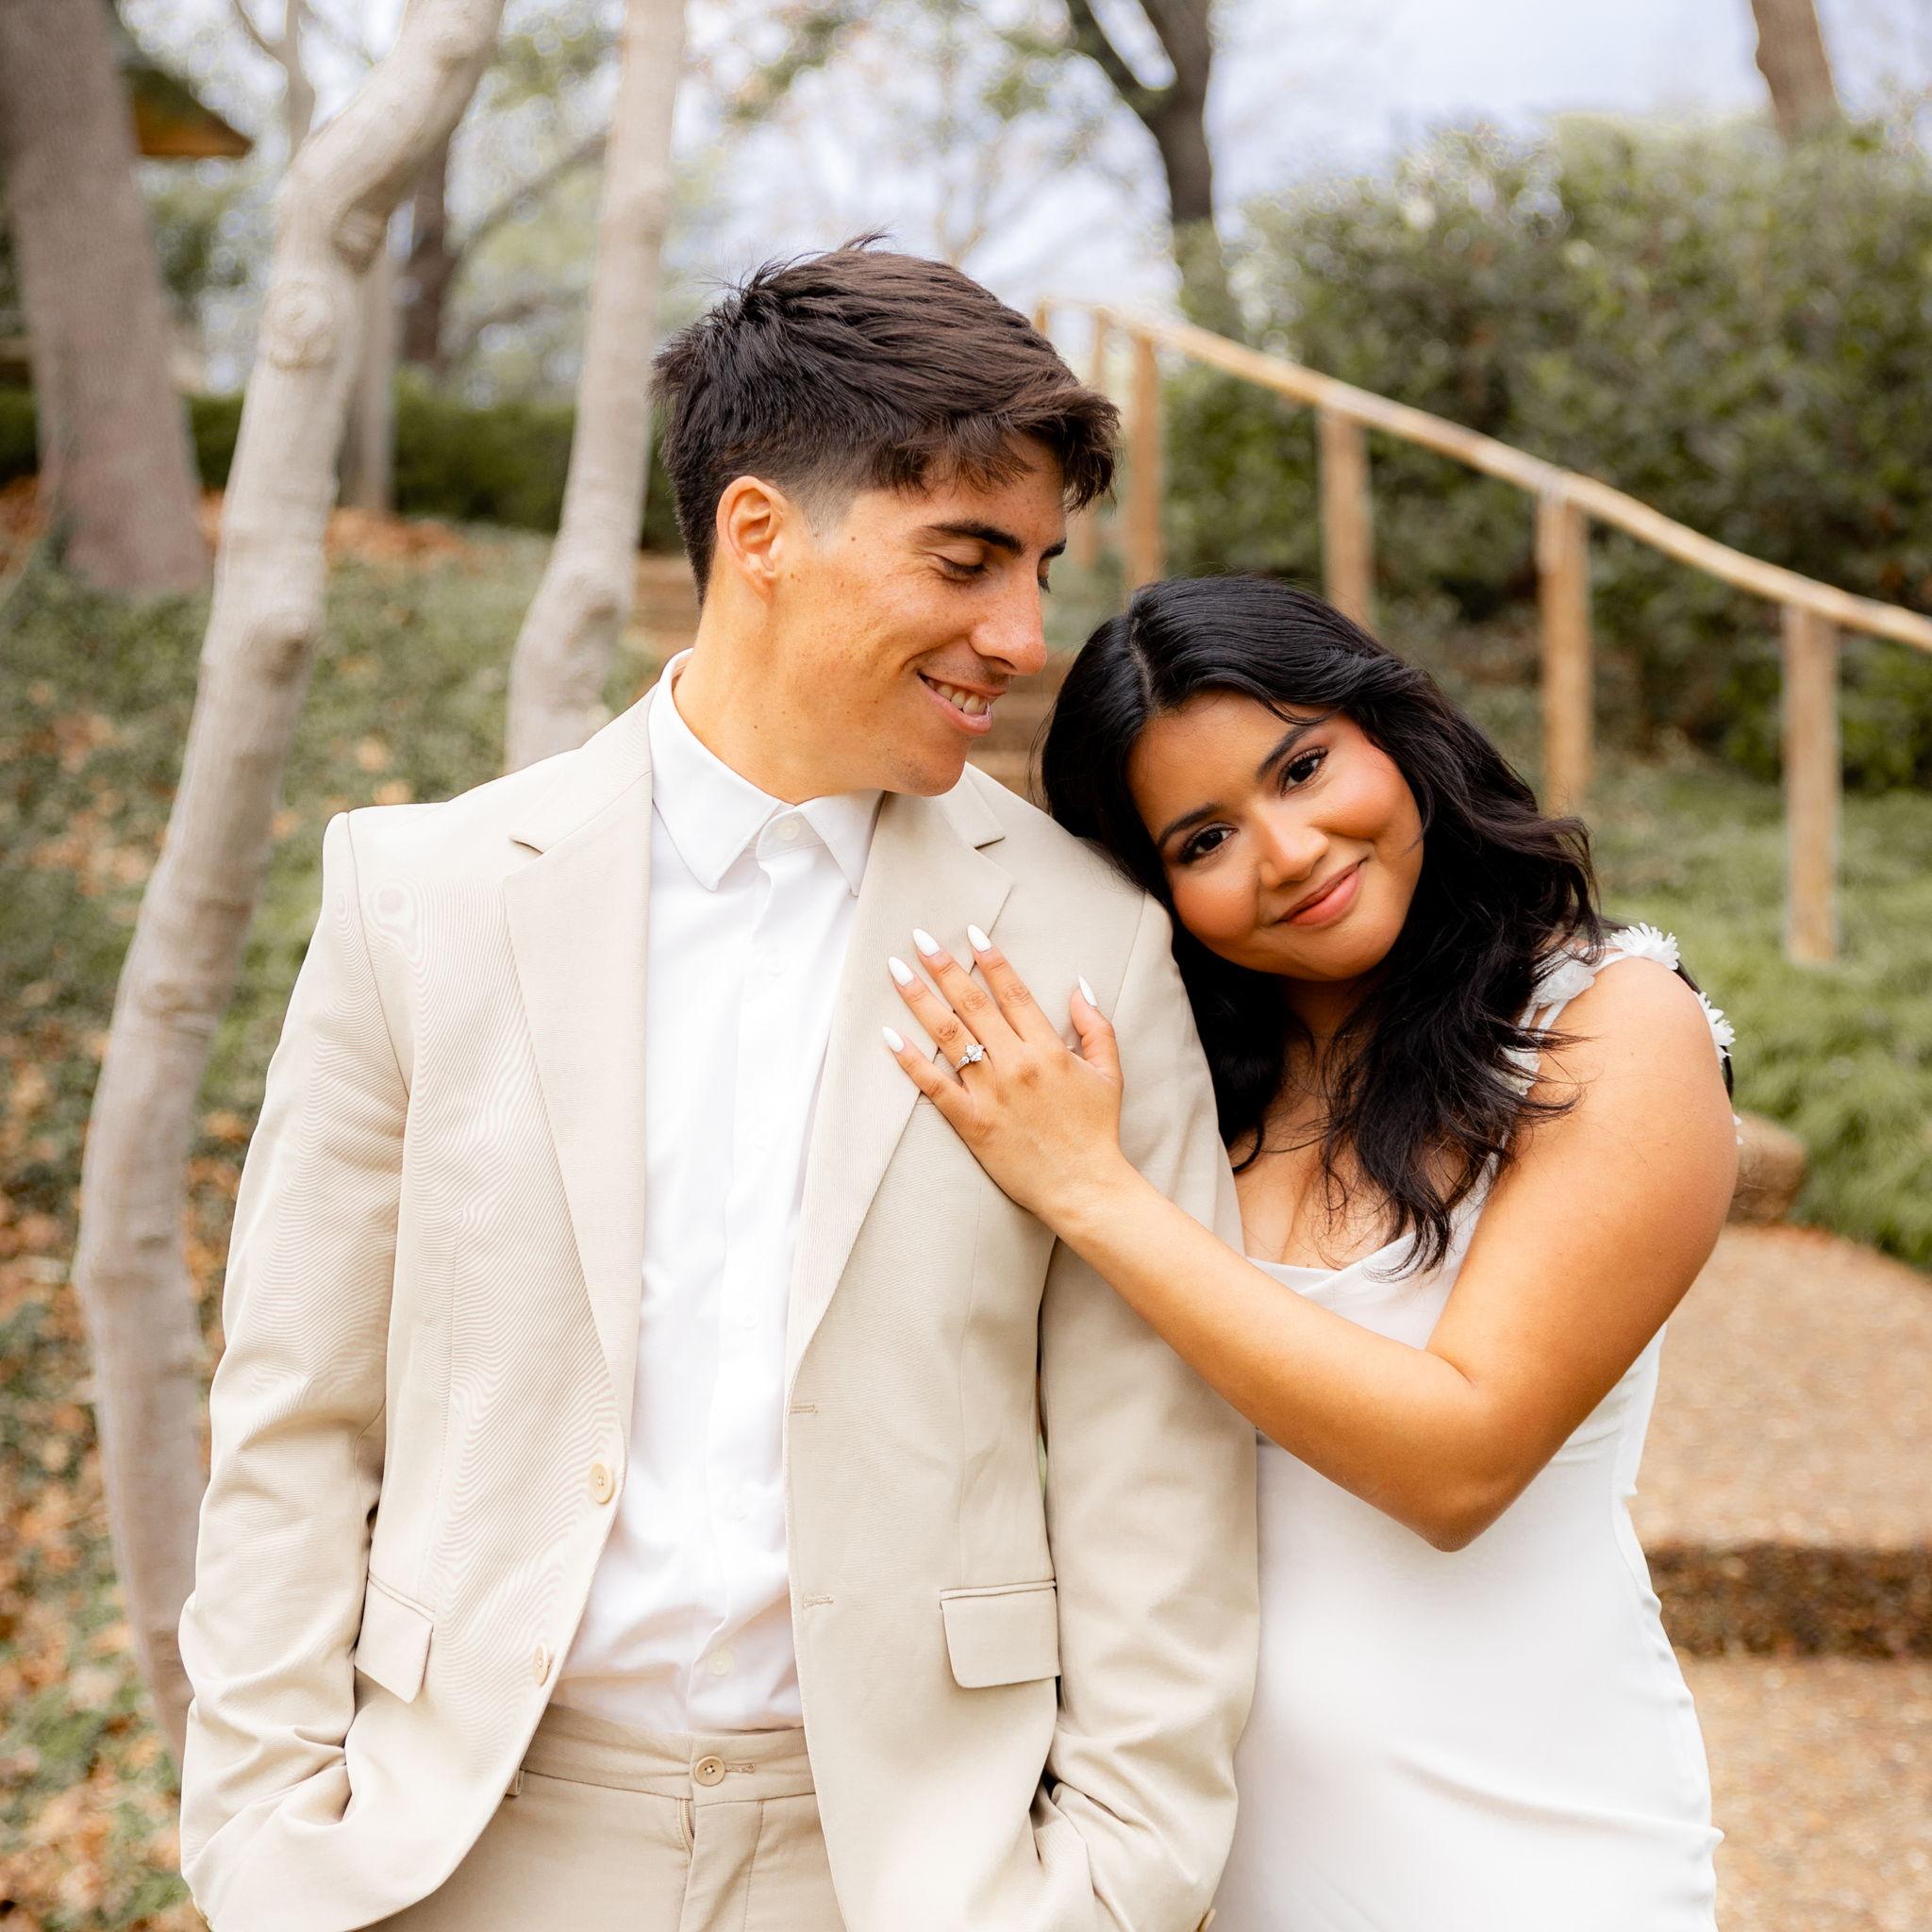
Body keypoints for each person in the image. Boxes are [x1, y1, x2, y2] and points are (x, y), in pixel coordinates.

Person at [175, 247, 1257, 1932]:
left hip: (908, 1868)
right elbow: (297, 1411)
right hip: (458, 1846)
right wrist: (264, 1842)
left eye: (1041, 568)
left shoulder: (1087, 939)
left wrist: (1118, 1882)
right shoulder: (422, 894)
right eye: (967, 559)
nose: (1023, 634)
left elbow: (1156, 1458)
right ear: (757, 536)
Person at [880, 575, 1736, 1932]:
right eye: (1206, 836)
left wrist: (1093, 1194)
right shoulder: (1186, 1090)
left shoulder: (1611, 1031)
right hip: (1190, 1853)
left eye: (1303, 767)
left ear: (1393, 730)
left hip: (1531, 1847)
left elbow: (1458, 1459)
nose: (1286, 852)